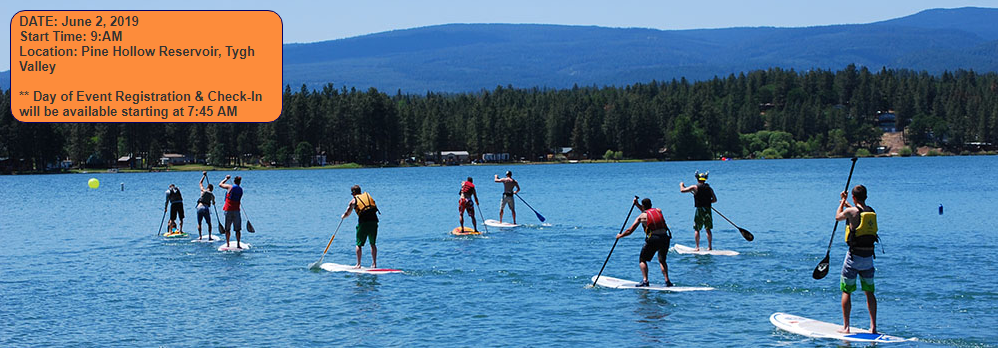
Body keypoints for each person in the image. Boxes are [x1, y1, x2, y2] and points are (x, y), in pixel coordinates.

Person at [835, 184, 879, 334]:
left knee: (846, 291)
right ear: (866, 196)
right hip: (868, 258)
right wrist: (847, 202)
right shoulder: (871, 211)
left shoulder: (851, 211)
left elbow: (838, 216)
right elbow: (856, 213)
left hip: (853, 258)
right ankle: (873, 327)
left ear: (853, 197)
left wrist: (842, 201)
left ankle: (846, 327)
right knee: (869, 292)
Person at [616, 197, 673, 287]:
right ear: (651, 204)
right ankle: (667, 281)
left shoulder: (641, 217)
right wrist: (637, 204)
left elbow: (629, 231)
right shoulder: (658, 210)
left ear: (643, 206)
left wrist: (620, 236)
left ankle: (645, 281)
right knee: (662, 260)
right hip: (665, 238)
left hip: (654, 239)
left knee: (642, 259)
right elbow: (648, 212)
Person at [341, 185, 380, 268]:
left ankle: (358, 264)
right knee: (372, 244)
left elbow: (348, 213)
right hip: (374, 221)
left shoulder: (353, 201)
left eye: (352, 193)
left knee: (358, 244)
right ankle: (374, 264)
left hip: (364, 223)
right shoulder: (368, 197)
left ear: (354, 193)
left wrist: (343, 216)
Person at [679, 171, 717, 251]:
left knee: (697, 229)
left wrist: (681, 185)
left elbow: (682, 190)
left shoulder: (694, 187)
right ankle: (710, 247)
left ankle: (697, 247)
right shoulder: (709, 188)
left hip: (699, 210)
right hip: (708, 210)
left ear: (697, 178)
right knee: (708, 229)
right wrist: (707, 201)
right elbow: (714, 200)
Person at [219, 175, 244, 249]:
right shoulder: (241, 189)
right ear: (240, 182)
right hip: (237, 211)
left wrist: (226, 179)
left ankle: (227, 244)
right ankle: (238, 244)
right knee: (237, 229)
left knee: (227, 229)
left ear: (234, 181)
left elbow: (220, 184)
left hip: (228, 210)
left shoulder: (230, 187)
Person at [195, 171, 216, 240]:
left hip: (199, 207)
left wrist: (204, 176)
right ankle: (210, 236)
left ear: (207, 187)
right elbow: (213, 203)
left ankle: (200, 236)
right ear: (212, 189)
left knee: (199, 223)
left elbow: (200, 183)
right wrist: (213, 202)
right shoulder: (212, 195)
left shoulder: (203, 190)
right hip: (205, 208)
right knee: (209, 223)